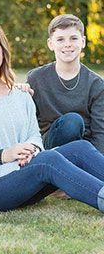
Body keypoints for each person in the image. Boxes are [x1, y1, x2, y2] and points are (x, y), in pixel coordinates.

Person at [0, 20, 104, 214]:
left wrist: (32, 150)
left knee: (80, 148)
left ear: (2, 50)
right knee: (49, 160)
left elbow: (34, 136)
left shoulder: (20, 95)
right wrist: (3, 154)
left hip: (25, 174)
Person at [27, 14, 104, 151]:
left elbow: (100, 133)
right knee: (72, 122)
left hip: (84, 149)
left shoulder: (96, 85)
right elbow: (27, 122)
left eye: (73, 38)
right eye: (60, 39)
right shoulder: (36, 78)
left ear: (83, 41)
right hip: (51, 146)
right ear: (51, 44)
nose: (67, 44)